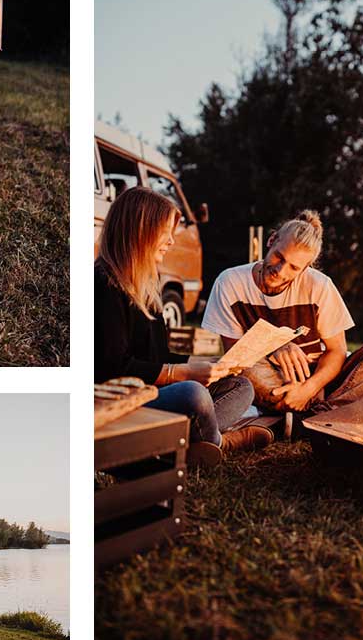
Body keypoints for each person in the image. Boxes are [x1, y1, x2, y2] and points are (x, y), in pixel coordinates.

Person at [95, 187, 273, 466]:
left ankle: (198, 438)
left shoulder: (147, 283)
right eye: (165, 231)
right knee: (193, 394)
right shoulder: (104, 284)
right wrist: (181, 374)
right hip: (123, 402)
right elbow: (112, 368)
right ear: (140, 230)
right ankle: (220, 443)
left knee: (241, 386)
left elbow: (157, 355)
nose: (171, 240)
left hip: (153, 391)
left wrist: (208, 364)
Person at [202, 209, 363, 416]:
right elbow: (236, 355)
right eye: (279, 257)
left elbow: (336, 351)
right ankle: (328, 415)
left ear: (306, 268)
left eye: (294, 268)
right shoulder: (229, 282)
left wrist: (310, 388)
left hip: (324, 381)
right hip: (273, 380)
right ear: (272, 240)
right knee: (240, 368)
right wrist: (275, 344)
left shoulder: (319, 285)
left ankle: (321, 413)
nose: (281, 271)